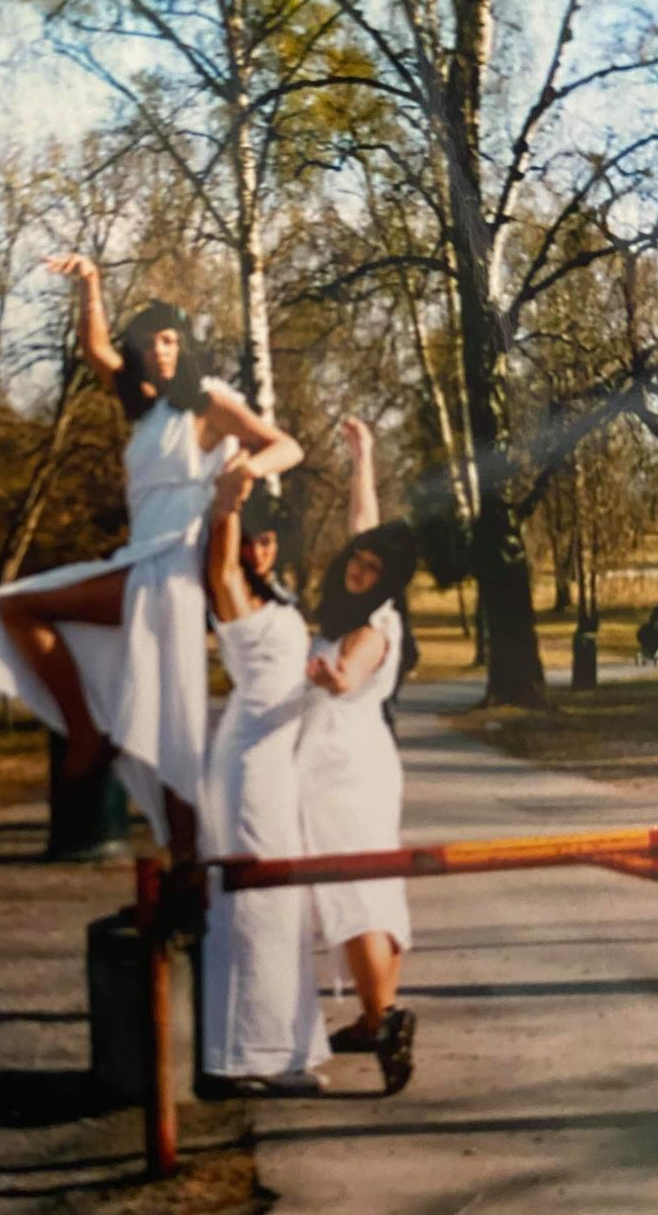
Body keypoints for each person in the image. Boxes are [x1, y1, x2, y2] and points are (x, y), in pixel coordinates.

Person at [0, 253, 302, 858]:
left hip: (174, 567)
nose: (162, 351)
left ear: (184, 346)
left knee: (174, 728)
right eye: (150, 343)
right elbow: (96, 351)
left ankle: (190, 862)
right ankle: (94, 734)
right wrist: (91, 283)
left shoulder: (206, 404)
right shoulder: (145, 414)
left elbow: (286, 447)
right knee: (16, 609)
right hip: (139, 561)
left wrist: (245, 467)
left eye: (171, 340)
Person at [297, 417, 417, 1095]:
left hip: (343, 766)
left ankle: (387, 1017)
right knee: (371, 890)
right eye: (357, 559)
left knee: (355, 898)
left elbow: (350, 671)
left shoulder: (373, 624)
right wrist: (363, 457)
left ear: (387, 580)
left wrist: (329, 677)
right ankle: (378, 1017)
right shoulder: (367, 600)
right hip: (356, 759)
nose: (357, 566)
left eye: (370, 566)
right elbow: (362, 524)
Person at [198, 471, 329, 1095]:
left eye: (269, 540)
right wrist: (228, 505)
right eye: (251, 541)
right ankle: (234, 1057)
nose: (260, 551)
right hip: (247, 763)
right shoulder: (229, 592)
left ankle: (282, 1049)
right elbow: (222, 562)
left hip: (281, 762)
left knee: (284, 907)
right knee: (247, 906)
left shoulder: (280, 597)